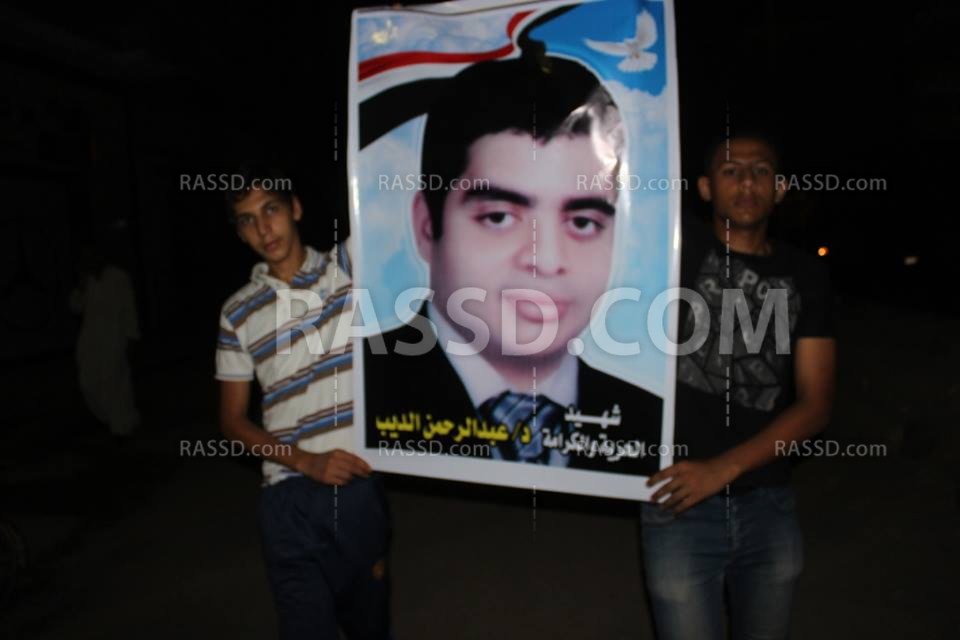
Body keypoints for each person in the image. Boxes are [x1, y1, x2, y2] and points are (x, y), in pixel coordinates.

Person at [363, 56, 662, 475]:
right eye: (500, 217)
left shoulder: (649, 423)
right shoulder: (358, 389)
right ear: (427, 225)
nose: (547, 260)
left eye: (582, 222)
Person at [639, 132, 836, 639]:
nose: (747, 181)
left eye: (761, 171)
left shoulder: (806, 274)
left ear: (781, 188)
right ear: (705, 188)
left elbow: (816, 405)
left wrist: (722, 469)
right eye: (730, 170)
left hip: (769, 502)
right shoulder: (671, 251)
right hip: (678, 502)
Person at [215, 169, 391, 639]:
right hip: (284, 498)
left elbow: (394, 198)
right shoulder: (236, 312)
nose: (263, 228)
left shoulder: (345, 267)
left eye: (270, 210)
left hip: (352, 485)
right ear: (240, 233)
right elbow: (231, 421)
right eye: (247, 220)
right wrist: (304, 461)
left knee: (368, 624)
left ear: (295, 208)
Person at [70, 237, 140, 438]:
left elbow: (128, 308)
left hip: (114, 339)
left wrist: (131, 336)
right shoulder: (87, 281)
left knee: (115, 382)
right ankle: (112, 418)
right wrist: (80, 287)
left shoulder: (118, 277)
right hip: (90, 341)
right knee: (88, 382)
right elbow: (75, 307)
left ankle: (122, 426)